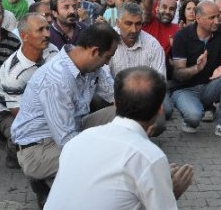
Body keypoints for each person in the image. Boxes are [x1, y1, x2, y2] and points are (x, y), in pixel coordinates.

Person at [44, 66, 193, 210]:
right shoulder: (149, 157)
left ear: (115, 102)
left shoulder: (78, 140)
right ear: (160, 110)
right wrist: (171, 193)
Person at [11, 23, 119, 208]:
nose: (108, 63)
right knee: (102, 161)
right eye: (108, 57)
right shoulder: (57, 78)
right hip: (38, 150)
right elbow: (67, 140)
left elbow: (119, 97)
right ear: (94, 51)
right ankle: (50, 181)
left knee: (126, 114)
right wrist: (107, 150)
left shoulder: (93, 67)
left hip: (72, 129)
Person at [170, 1, 221, 141]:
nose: (217, 21)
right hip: (185, 89)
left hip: (209, 85)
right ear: (198, 19)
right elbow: (178, 74)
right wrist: (197, 68)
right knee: (194, 119)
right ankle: (190, 117)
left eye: (218, 16)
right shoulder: (182, 36)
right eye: (211, 18)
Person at [0, 14, 58, 168]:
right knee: (27, 132)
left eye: (47, 28)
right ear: (24, 36)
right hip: (11, 112)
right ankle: (13, 150)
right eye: (40, 30)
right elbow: (21, 113)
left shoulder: (51, 50)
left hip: (44, 103)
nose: (47, 34)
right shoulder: (14, 73)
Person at [109, 3, 170, 133]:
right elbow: (103, 80)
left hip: (144, 98)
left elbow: (160, 80)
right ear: (118, 23)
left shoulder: (153, 45)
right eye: (128, 24)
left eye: (138, 24)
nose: (134, 29)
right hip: (114, 98)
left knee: (161, 120)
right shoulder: (108, 41)